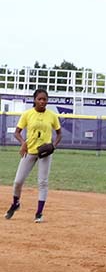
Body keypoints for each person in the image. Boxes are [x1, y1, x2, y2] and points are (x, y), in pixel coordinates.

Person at [6, 89, 63, 223]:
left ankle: (39, 213)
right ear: (34, 100)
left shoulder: (52, 116)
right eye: (40, 99)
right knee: (18, 181)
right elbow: (17, 132)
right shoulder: (27, 114)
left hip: (45, 152)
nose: (42, 101)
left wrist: (54, 145)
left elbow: (59, 133)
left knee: (42, 182)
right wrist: (22, 143)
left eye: (44, 99)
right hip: (30, 150)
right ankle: (15, 204)